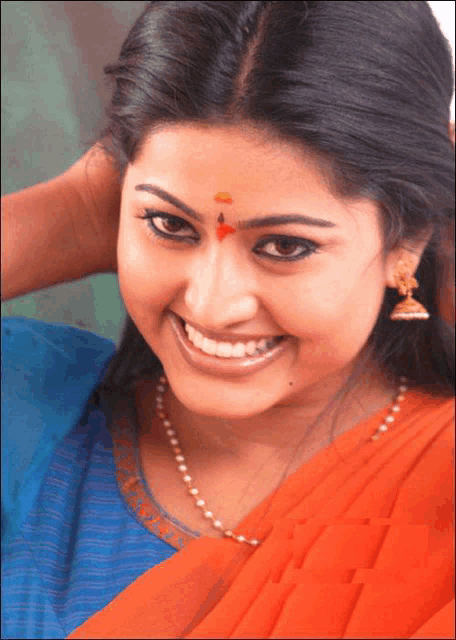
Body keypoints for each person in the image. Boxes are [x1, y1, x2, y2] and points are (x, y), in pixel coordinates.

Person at [2, 2, 455, 638]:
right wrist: (71, 211)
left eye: (285, 247)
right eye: (168, 225)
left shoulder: (441, 483)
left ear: (406, 241)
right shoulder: (25, 403)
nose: (213, 305)